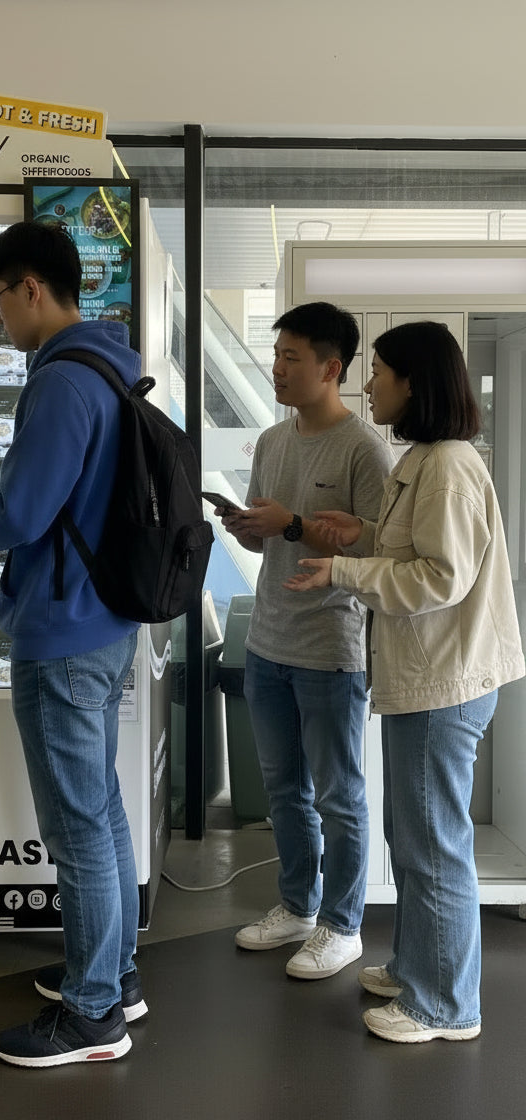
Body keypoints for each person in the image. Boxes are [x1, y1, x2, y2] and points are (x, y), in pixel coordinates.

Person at [0, 220, 145, 1068]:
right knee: (103, 814)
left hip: (62, 628)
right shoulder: (112, 369)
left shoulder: (59, 385)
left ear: (31, 290)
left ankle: (92, 1019)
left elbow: (17, 517)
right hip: (105, 618)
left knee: (78, 825)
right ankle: (113, 978)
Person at [284, 320, 524, 1042]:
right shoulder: (428, 459)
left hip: (443, 681)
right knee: (412, 831)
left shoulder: (446, 464)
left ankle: (443, 1004)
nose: (369, 384)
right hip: (433, 676)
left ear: (414, 382)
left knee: (431, 842)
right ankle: (422, 964)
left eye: (380, 372)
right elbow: (421, 551)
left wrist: (345, 568)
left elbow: (441, 578)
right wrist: (360, 534)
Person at [222, 302, 395, 979]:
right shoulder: (271, 441)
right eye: (277, 357)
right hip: (268, 641)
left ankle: (342, 925)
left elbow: (379, 546)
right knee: (282, 787)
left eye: (292, 359)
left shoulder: (363, 449)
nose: (277, 370)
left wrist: (291, 522)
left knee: (338, 796)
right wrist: (247, 527)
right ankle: (296, 906)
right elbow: (272, 530)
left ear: (332, 368)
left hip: (332, 649)